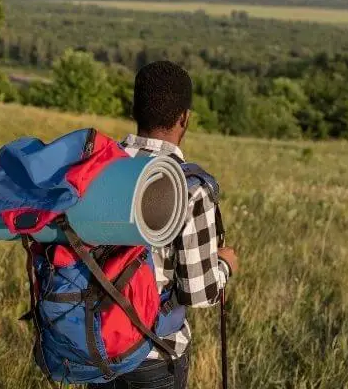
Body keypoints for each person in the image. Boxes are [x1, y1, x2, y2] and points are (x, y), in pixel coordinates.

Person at [88, 61, 239, 389]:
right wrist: (226, 265)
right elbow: (199, 292)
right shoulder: (190, 187)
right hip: (155, 353)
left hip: (96, 343)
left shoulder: (96, 170)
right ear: (184, 117)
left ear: (133, 110)